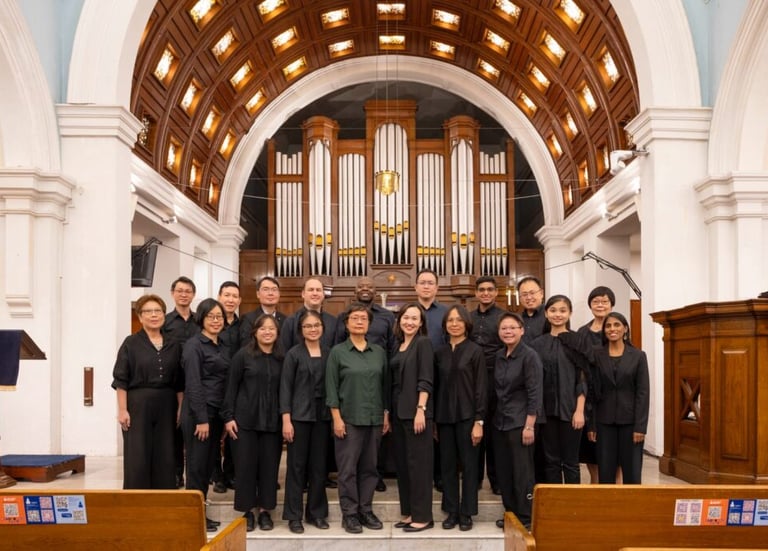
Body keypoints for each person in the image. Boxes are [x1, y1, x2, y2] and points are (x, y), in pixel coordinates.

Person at [326, 303, 390, 534]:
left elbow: (385, 387)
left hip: (374, 419)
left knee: (370, 469)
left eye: (364, 318)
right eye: (355, 318)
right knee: (347, 470)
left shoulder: (379, 352)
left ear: (369, 324)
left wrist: (385, 414)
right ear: (347, 323)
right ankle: (350, 514)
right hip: (349, 420)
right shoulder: (337, 352)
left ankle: (366, 510)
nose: (360, 322)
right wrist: (336, 418)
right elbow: (331, 387)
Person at [112, 294, 183, 489]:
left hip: (167, 404)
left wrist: (180, 407)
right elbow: (121, 379)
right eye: (148, 311)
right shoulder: (130, 343)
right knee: (138, 455)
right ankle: (137, 499)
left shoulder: (174, 344)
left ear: (164, 315)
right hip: (138, 405)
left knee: (165, 453)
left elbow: (180, 381)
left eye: (158, 311)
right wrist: (122, 410)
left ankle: (162, 499)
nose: (154, 315)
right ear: (140, 316)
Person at [221, 314, 283, 532]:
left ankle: (265, 511)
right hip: (244, 421)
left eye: (271, 329)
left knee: (269, 467)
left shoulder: (282, 357)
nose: (267, 332)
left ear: (277, 333)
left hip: (272, 421)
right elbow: (231, 387)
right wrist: (228, 417)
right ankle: (247, 511)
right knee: (245, 467)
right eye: (263, 329)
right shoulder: (242, 356)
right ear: (255, 332)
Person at [335, 276, 396, 492]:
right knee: (352, 444)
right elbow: (338, 347)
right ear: (355, 290)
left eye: (369, 286)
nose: (365, 289)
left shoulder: (387, 316)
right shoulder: (344, 316)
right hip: (352, 378)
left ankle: (376, 475)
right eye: (361, 286)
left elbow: (392, 347)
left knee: (376, 438)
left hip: (377, 374)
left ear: (375, 290)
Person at [434, 305, 486, 531]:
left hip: (468, 417)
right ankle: (452, 511)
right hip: (444, 417)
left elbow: (481, 388)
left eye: (458, 320)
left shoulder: (475, 351)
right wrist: (434, 421)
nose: (454, 324)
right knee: (447, 466)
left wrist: (478, 421)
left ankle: (467, 513)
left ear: (466, 323)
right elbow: (436, 387)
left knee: (470, 465)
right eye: (450, 320)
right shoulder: (439, 352)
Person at [280, 310, 332, 533]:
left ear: (322, 328)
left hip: (322, 417)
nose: (313, 329)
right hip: (299, 417)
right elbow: (285, 388)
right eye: (308, 326)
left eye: (316, 325)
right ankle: (294, 516)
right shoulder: (293, 354)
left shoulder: (330, 352)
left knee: (319, 467)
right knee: (296, 467)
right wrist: (286, 419)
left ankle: (316, 513)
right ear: (301, 330)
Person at [180, 298, 229, 532]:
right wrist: (201, 419)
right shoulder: (194, 345)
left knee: (208, 465)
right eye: (211, 316)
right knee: (197, 467)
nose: (216, 320)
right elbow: (193, 384)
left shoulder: (222, 345)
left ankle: (201, 511)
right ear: (201, 318)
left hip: (216, 413)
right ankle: (193, 518)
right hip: (200, 414)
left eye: (219, 316)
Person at [530, 295, 588, 484]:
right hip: (545, 412)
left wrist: (579, 411)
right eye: (553, 310)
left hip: (571, 410)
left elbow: (583, 378)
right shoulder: (537, 344)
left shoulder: (578, 341)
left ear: (570, 313)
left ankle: (572, 502)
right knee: (551, 461)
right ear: (546, 313)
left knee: (571, 462)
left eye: (563, 310)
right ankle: (554, 499)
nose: (558, 314)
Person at [492, 312, 542, 530]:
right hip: (500, 422)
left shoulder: (530, 356)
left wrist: (529, 425)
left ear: (522, 330)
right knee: (504, 471)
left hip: (520, 423)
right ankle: (510, 513)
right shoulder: (499, 355)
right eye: (504, 328)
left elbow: (535, 393)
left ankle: (526, 516)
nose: (508, 332)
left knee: (522, 472)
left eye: (512, 327)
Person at [588, 312, 650, 484]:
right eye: (608, 326)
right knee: (605, 472)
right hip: (603, 422)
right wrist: (591, 425)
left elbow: (643, 393)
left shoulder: (638, 356)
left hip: (631, 423)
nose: (612, 329)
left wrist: (640, 427)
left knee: (632, 473)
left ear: (625, 329)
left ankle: (632, 501)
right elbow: (592, 392)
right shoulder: (596, 355)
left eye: (616, 325)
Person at [390, 302, 435, 532]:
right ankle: (409, 512)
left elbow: (426, 378)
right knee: (404, 466)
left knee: (419, 466)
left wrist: (421, 409)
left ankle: (423, 516)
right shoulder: (397, 345)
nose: (409, 322)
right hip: (398, 413)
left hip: (416, 413)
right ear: (399, 320)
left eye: (414, 318)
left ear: (421, 323)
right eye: (406, 317)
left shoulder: (423, 343)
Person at [577, 286, 616, 484]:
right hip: (589, 397)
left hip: (612, 394)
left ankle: (616, 490)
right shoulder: (582, 332)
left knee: (614, 450)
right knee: (590, 449)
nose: (600, 305)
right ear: (590, 305)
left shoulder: (616, 328)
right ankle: (595, 484)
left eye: (604, 301)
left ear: (611, 305)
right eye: (596, 301)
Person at [469, 276, 504, 494]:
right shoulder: (469, 317)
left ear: (496, 292)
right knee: (474, 426)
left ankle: (496, 479)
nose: (485, 293)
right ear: (476, 293)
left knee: (493, 430)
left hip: (495, 376)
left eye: (490, 289)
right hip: (471, 377)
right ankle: (475, 479)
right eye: (481, 289)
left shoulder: (503, 317)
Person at [163, 275, 198, 487]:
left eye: (188, 291)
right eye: (180, 291)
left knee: (195, 431)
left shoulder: (199, 321)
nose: (184, 295)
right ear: (172, 293)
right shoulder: (165, 321)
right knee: (174, 431)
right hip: (173, 380)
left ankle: (197, 475)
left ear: (193, 295)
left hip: (196, 381)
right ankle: (176, 473)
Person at [413, 268, 446, 491]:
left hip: (440, 375)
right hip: (414, 376)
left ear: (437, 287)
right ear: (415, 286)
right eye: (422, 282)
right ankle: (420, 474)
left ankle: (440, 474)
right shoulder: (408, 312)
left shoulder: (446, 313)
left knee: (438, 425)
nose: (426, 286)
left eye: (430, 283)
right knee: (419, 425)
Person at [212, 280, 241, 493]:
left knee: (233, 433)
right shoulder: (211, 323)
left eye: (234, 296)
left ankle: (231, 473)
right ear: (219, 297)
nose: (230, 299)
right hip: (215, 386)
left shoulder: (244, 325)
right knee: (214, 433)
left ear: (239, 300)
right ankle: (217, 476)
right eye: (227, 295)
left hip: (236, 387)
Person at [281, 277, 337, 350]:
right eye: (311, 290)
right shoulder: (291, 321)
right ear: (303, 294)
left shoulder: (333, 322)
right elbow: (284, 351)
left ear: (323, 295)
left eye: (318, 290)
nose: (315, 293)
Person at [239, 276, 286, 346]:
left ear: (279, 294)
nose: (270, 293)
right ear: (258, 294)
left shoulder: (285, 320)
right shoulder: (248, 319)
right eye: (265, 289)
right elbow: (246, 345)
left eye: (274, 289)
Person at [517, 276, 545, 344]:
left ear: (541, 293)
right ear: (520, 298)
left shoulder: (551, 316)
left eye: (532, 293)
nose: (529, 297)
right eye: (524, 294)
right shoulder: (517, 319)